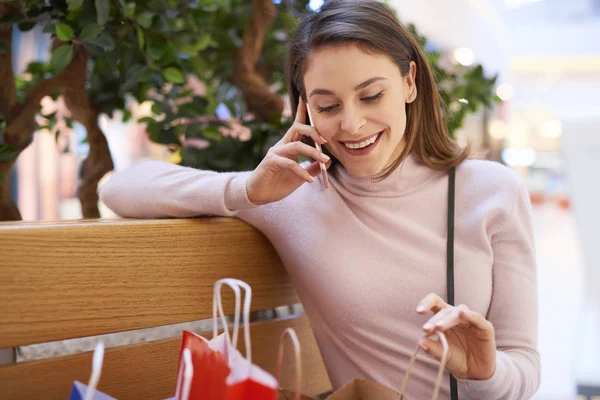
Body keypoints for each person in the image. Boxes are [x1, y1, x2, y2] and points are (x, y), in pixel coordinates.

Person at [99, 1, 540, 398]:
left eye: (371, 95)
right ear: (304, 109)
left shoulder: (493, 192)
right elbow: (118, 188)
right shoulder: (292, 197)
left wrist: (483, 374)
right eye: (328, 106)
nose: (352, 123)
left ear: (409, 82)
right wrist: (247, 189)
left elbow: (524, 363)